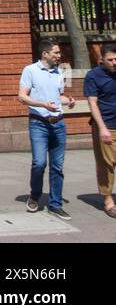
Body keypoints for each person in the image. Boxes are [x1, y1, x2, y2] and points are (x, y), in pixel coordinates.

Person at [18, 38, 77, 219]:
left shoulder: (59, 72)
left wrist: (69, 100)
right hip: (38, 123)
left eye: (59, 53)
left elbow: (59, 97)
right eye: (56, 53)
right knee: (39, 163)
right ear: (45, 54)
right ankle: (35, 195)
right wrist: (43, 104)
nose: (59, 56)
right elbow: (22, 97)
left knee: (57, 166)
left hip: (58, 123)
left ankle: (55, 204)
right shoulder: (30, 70)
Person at [83, 41, 116, 219]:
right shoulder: (93, 76)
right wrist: (102, 128)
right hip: (106, 126)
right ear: (101, 59)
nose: (114, 63)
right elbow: (92, 102)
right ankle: (108, 199)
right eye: (110, 60)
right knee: (107, 164)